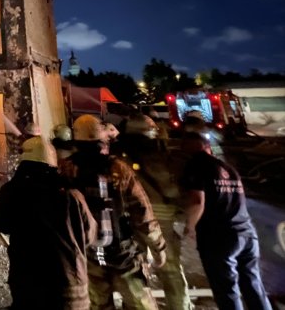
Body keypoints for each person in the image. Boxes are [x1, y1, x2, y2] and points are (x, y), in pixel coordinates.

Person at [60, 114, 166, 310]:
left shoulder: (65, 169)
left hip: (87, 254)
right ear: (102, 139)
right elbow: (142, 212)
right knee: (141, 304)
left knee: (99, 304)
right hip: (122, 253)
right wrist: (158, 247)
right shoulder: (118, 169)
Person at [0, 135, 97, 309]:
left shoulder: (14, 191)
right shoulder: (72, 195)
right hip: (72, 291)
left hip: (31, 288)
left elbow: (0, 222)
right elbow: (90, 234)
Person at [179, 131, 272, 310]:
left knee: (227, 290)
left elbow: (197, 201)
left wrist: (189, 227)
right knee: (254, 286)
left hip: (219, 237)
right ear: (208, 147)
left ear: (189, 147)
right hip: (247, 234)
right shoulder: (228, 168)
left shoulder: (196, 165)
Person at [116, 113, 193, 310]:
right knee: (170, 269)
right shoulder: (161, 155)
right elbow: (172, 189)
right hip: (161, 217)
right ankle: (180, 306)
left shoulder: (120, 157)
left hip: (131, 218)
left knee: (135, 269)